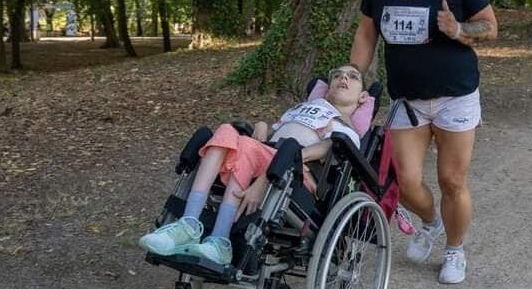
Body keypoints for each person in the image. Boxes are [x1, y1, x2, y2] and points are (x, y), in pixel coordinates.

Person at [350, 0, 498, 284]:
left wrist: (458, 31)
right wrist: (353, 77)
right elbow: (367, 32)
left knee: (452, 181)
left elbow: (489, 27)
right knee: (404, 181)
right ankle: (430, 223)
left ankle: (455, 250)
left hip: (455, 94)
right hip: (408, 99)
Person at [138, 65, 369, 265]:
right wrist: (262, 125)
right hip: (264, 152)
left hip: (294, 171)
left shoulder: (347, 129)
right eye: (337, 75)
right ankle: (187, 225)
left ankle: (220, 241)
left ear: (362, 97)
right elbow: (274, 130)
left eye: (352, 77)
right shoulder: (301, 109)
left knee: (247, 147)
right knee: (226, 130)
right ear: (328, 86)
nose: (343, 78)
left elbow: (323, 149)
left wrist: (284, 163)